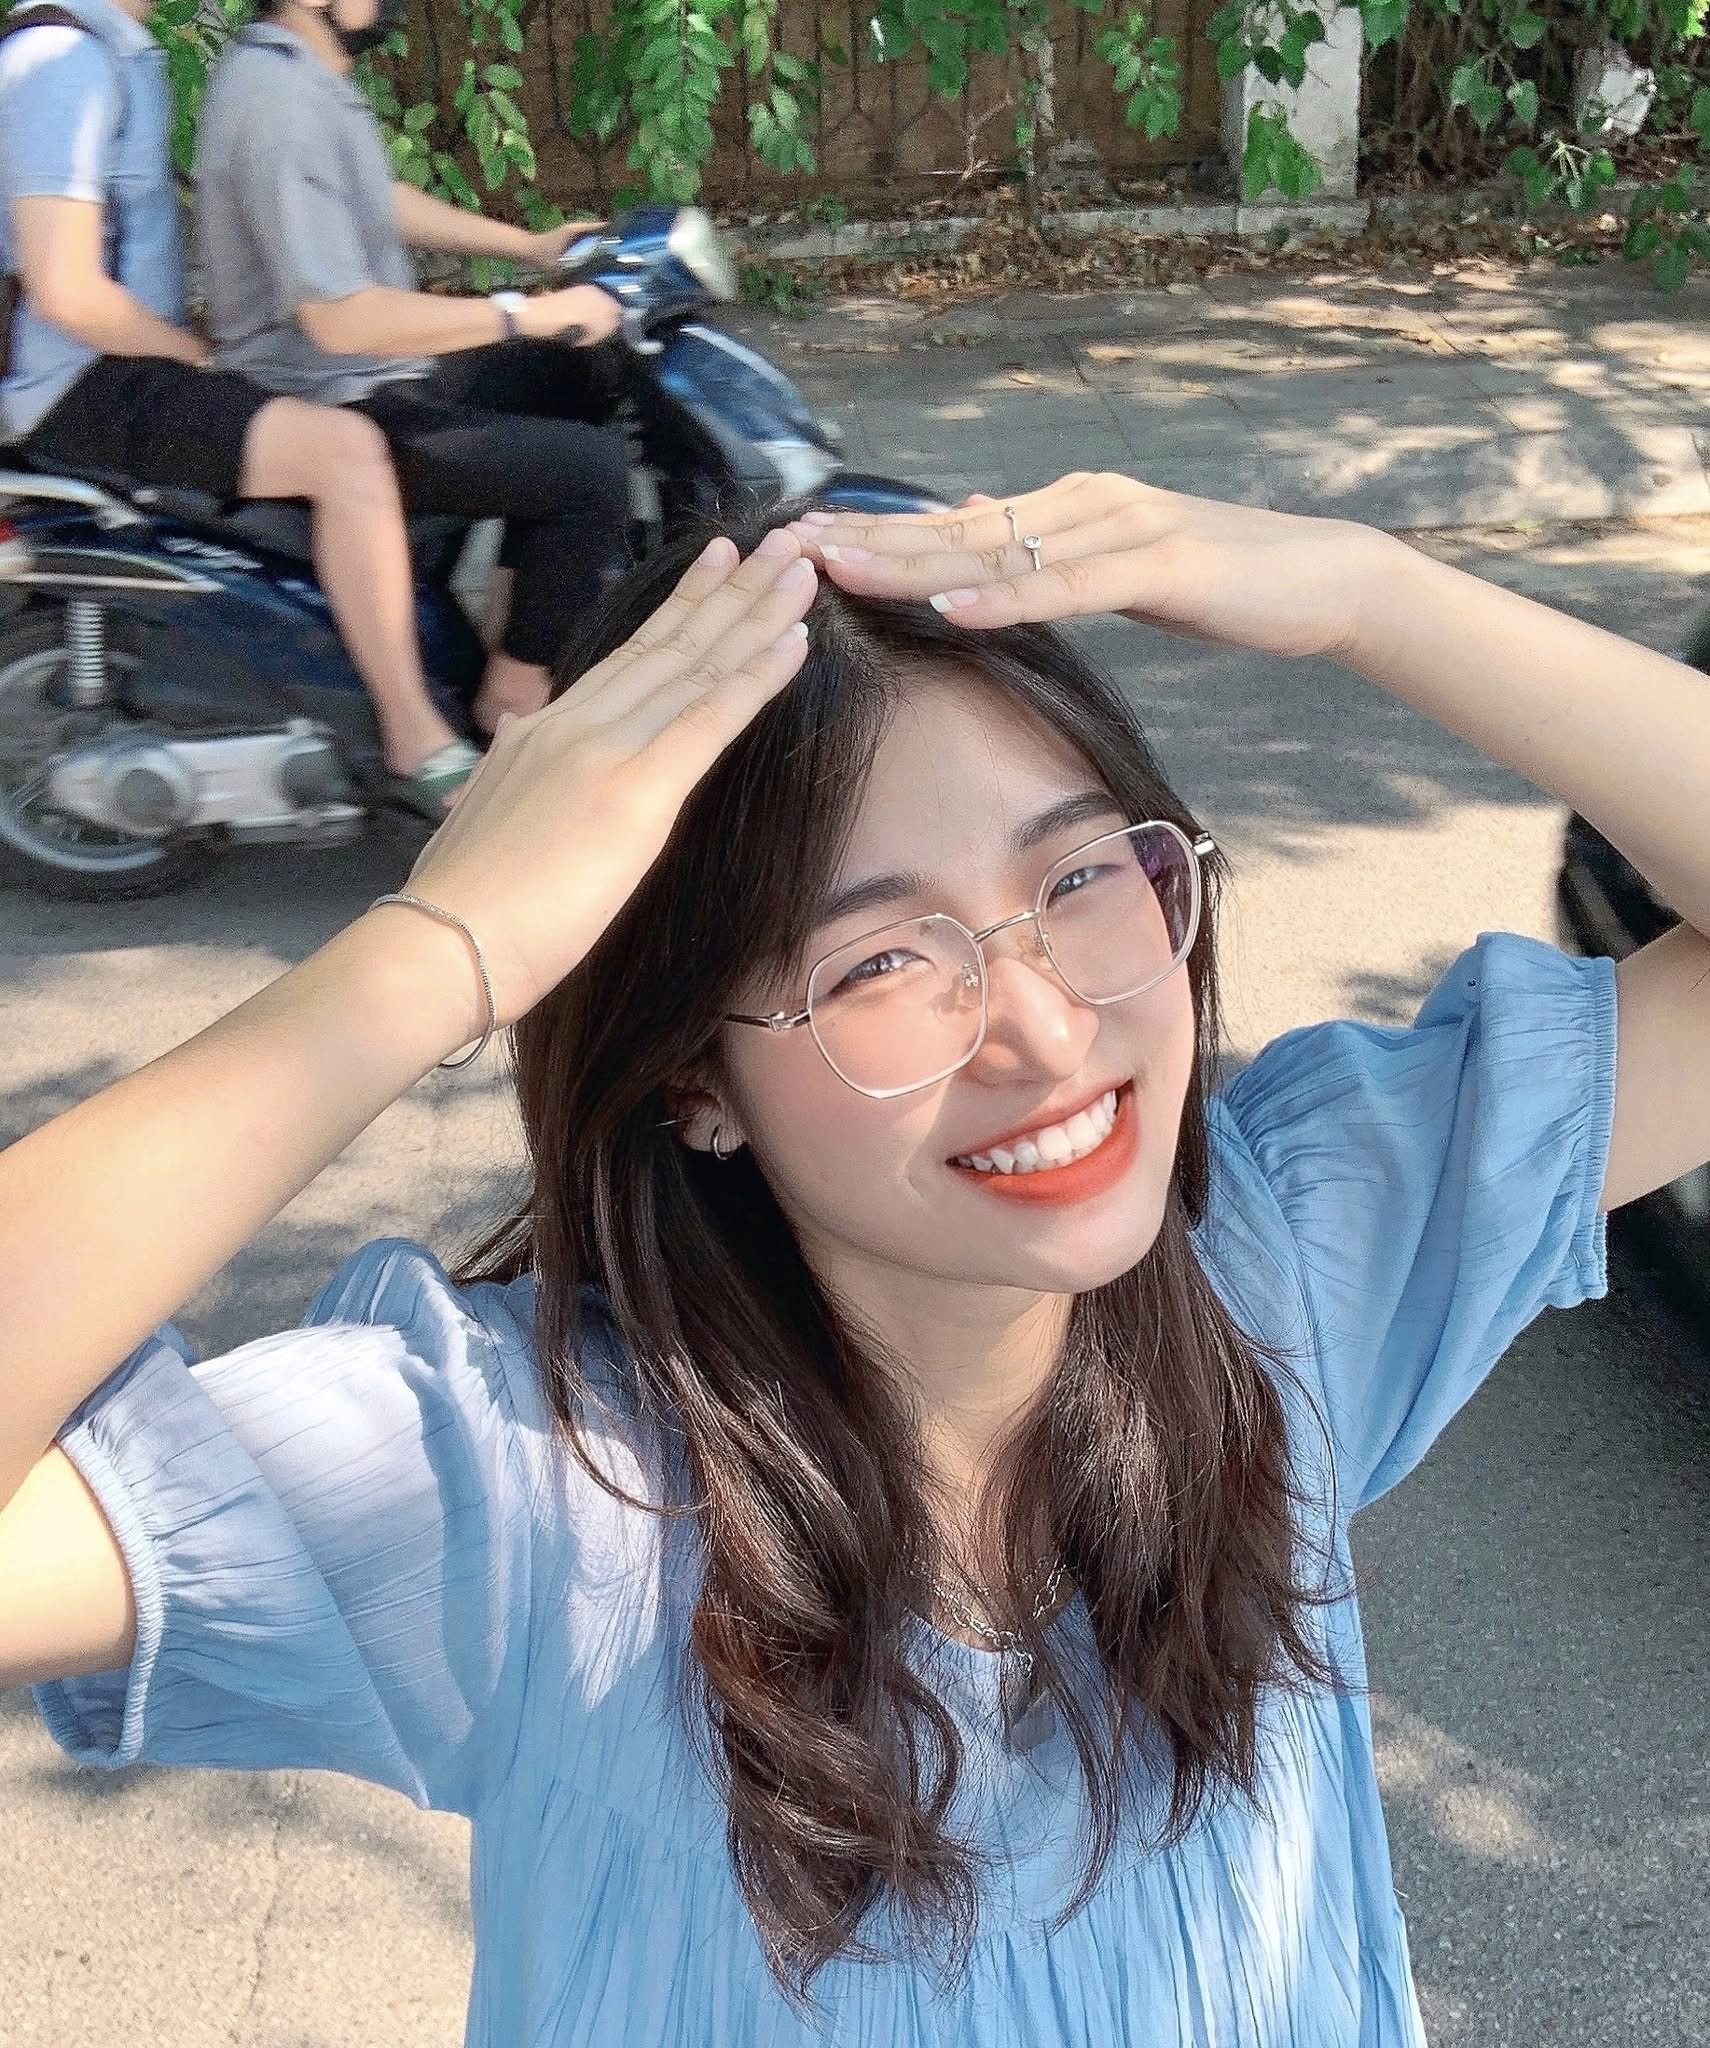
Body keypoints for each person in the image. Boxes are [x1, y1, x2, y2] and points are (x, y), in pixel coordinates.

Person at [1, 470, 1707, 2044]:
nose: (1048, 1029)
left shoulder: (1282, 1263)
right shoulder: (537, 1496)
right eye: (882, 962)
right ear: (694, 1078)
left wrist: (1369, 592)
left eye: (1083, 873)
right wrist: (446, 945)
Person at [0, 0, 483, 817]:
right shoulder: (61, 61)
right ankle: (414, 735)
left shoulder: (115, 51)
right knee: (344, 451)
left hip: (116, 368)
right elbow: (67, 291)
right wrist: (199, 358)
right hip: (82, 388)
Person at [194, 0, 634, 733]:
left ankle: (503, 634)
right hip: (328, 399)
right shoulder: (278, 104)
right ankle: (513, 705)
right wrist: (520, 313)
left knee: (572, 372)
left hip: (369, 373)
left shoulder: (306, 74)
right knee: (591, 476)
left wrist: (531, 248)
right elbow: (340, 321)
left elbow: (379, 200)